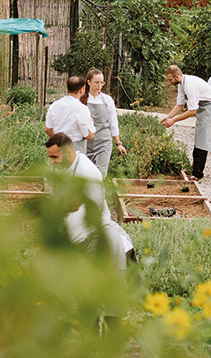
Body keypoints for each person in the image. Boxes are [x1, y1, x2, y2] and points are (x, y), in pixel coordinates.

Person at [44, 133, 135, 330]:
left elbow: (89, 213)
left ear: (68, 153)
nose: (51, 162)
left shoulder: (88, 173)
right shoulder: (63, 169)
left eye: (54, 157)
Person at [161, 65, 211, 180]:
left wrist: (174, 120)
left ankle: (197, 174)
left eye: (170, 79)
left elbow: (192, 111)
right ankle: (194, 170)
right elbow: (180, 105)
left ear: (177, 76)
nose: (169, 82)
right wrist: (168, 117)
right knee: (199, 138)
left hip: (209, 108)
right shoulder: (181, 84)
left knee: (202, 140)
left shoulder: (190, 85)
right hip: (202, 107)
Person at [83, 68, 126, 178]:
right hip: (85, 143)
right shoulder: (82, 99)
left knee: (100, 175)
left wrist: (118, 143)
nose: (99, 85)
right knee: (85, 175)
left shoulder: (107, 100)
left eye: (101, 82)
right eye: (96, 82)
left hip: (103, 142)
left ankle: (99, 195)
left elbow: (113, 122)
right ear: (89, 82)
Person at [45, 76, 95, 156]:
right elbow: (89, 135)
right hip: (76, 148)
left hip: (59, 146)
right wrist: (91, 123)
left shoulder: (55, 105)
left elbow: (48, 129)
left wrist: (58, 140)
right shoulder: (82, 108)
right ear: (81, 90)